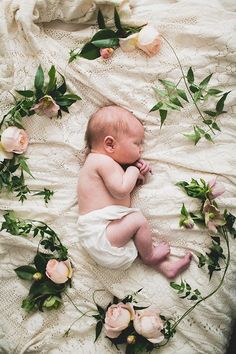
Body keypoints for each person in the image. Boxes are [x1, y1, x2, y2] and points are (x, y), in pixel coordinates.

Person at [77, 105, 191, 278]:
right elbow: (121, 191)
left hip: (106, 233)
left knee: (134, 231)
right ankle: (150, 256)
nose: (141, 149)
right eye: (136, 143)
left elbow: (119, 192)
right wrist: (133, 171)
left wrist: (136, 177)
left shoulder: (103, 162)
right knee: (137, 220)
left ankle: (166, 268)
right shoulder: (100, 161)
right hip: (100, 235)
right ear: (110, 144)